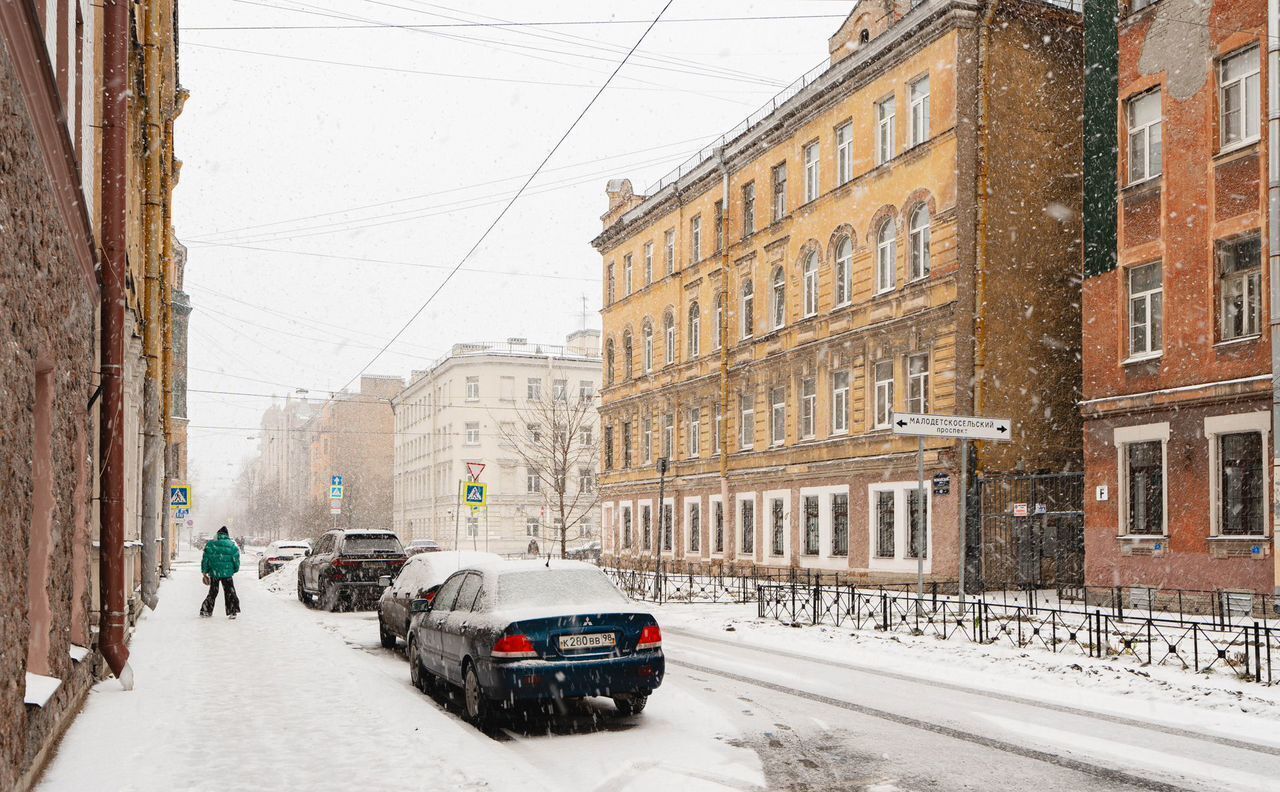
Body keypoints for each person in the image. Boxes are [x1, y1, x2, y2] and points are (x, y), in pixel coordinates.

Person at [200, 526, 241, 618]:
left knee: (213, 592)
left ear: (218, 534)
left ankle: (206, 610)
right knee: (229, 591)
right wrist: (235, 569)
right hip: (227, 573)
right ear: (227, 535)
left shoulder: (210, 544)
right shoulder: (232, 545)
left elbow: (205, 559)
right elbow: (236, 560)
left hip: (214, 572)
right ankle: (232, 611)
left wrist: (204, 571)